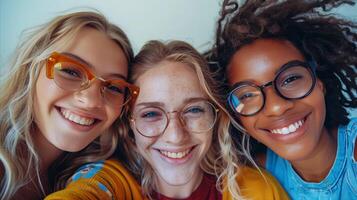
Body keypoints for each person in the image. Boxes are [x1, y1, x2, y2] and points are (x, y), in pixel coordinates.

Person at [46, 40, 289, 200]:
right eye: (151, 114)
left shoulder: (257, 190)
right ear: (129, 125)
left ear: (216, 116)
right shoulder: (112, 183)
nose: (175, 135)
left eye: (193, 110)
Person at [208, 0, 357, 199]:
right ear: (235, 115)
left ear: (319, 82)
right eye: (247, 95)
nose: (277, 107)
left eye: (291, 79)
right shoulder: (255, 176)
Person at [0, 11, 139, 199]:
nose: (91, 101)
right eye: (71, 72)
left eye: (113, 87)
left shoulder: (104, 172)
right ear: (30, 69)